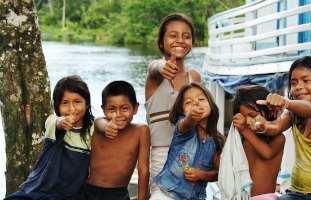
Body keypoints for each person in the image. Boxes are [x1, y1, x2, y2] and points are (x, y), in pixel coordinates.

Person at [255, 56, 311, 200]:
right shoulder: (293, 113)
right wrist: (262, 124)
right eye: (293, 83)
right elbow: (274, 127)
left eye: (306, 80)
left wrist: (285, 102)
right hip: (295, 193)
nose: (298, 87)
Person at [4, 75, 95, 199]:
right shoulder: (52, 121)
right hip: (39, 188)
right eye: (65, 103)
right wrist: (62, 122)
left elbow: (101, 124)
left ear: (87, 104)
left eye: (77, 102)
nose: (71, 109)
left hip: (68, 194)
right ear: (56, 106)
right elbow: (57, 123)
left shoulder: (92, 131)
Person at [144, 13, 201, 198]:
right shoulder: (156, 74)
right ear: (161, 42)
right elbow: (155, 66)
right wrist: (163, 66)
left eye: (186, 36)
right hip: (162, 154)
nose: (180, 40)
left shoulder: (195, 77)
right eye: (173, 35)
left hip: (192, 153)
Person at [70, 81, 150, 200]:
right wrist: (107, 127)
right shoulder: (99, 123)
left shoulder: (141, 131)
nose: (117, 115)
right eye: (111, 109)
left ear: (135, 108)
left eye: (124, 108)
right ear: (103, 109)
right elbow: (100, 124)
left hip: (117, 194)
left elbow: (143, 170)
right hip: (88, 190)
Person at [152, 82, 225, 200]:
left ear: (211, 103)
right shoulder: (184, 130)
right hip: (167, 193)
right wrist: (191, 116)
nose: (195, 103)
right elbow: (187, 122)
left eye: (201, 99)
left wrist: (202, 175)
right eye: (188, 103)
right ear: (182, 111)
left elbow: (218, 173)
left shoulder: (219, 140)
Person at [232, 85, 285, 199]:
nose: (248, 121)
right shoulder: (241, 139)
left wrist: (244, 130)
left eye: (252, 115)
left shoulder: (278, 137)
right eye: (243, 117)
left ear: (269, 113)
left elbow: (267, 153)